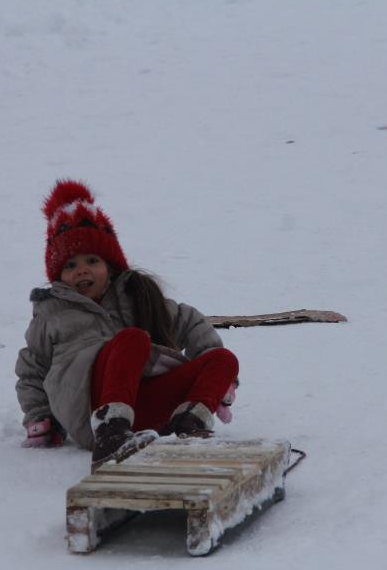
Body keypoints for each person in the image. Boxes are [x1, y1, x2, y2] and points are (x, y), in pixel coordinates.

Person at [15, 179, 239, 470]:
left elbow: (188, 320)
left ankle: (187, 427)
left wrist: (213, 384)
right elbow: (32, 367)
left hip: (144, 408)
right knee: (132, 340)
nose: (81, 269)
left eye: (91, 260)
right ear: (58, 277)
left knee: (223, 360)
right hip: (89, 415)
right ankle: (112, 431)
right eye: (70, 265)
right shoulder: (52, 313)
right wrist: (39, 417)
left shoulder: (136, 297)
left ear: (110, 266)